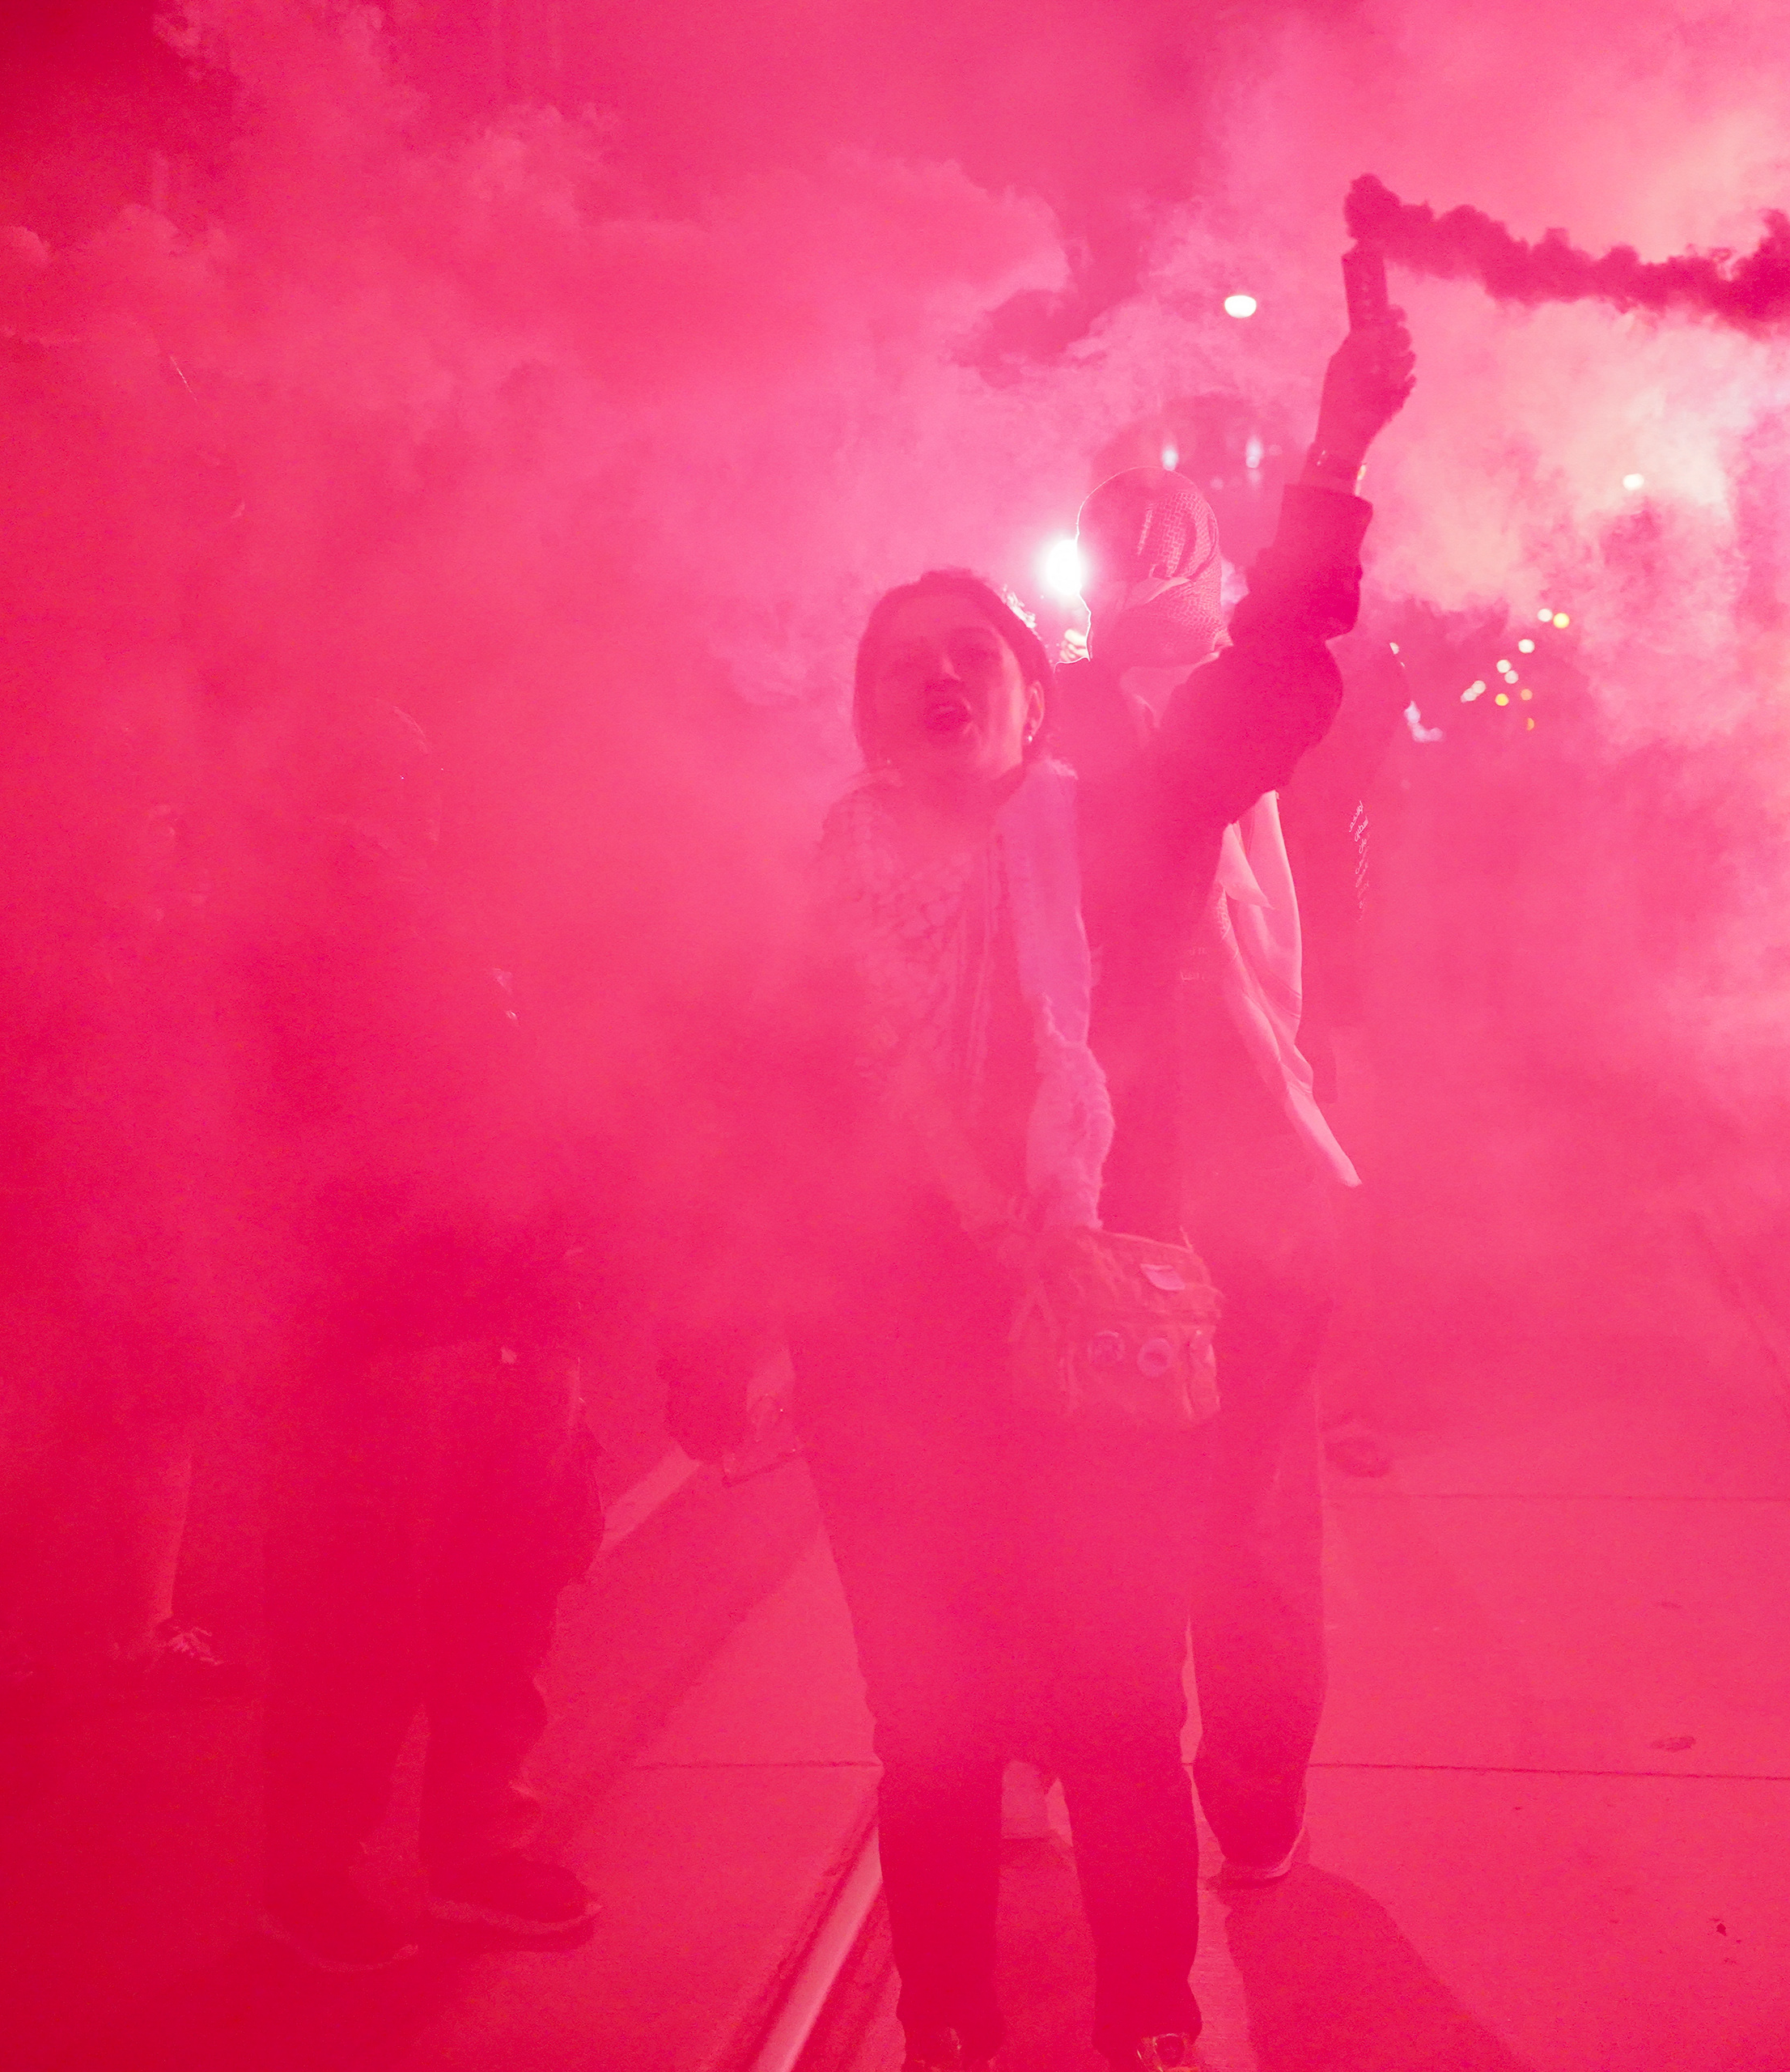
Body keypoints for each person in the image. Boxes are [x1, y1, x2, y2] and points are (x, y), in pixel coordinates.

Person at [666, 306, 1415, 2072]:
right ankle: (949, 2024)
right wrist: (707, 1331)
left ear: (1024, 697)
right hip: (891, 1394)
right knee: (928, 1739)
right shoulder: (812, 910)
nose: (941, 676)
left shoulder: (1114, 842)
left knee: (1116, 1725)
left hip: (1097, 1374)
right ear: (868, 716)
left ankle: (1146, 2020)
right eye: (904, 663)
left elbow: (1266, 684)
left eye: (973, 655)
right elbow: (746, 1140)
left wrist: (1333, 460)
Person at [234, 700, 607, 1969]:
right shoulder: (287, 935)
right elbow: (285, 1134)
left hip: (511, 1311)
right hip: (371, 1329)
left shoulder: (473, 918)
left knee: (504, 1596)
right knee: (354, 1612)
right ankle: (310, 1875)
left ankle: (476, 1844)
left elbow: (546, 1107)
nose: (407, 805)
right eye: (375, 778)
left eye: (413, 775)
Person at [1041, 467, 1366, 1887]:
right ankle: (1252, 1795)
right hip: (1244, 1137)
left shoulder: (1080, 705)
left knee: (1109, 1487)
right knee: (1251, 1502)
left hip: (1149, 1147)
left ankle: (1111, 1769)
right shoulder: (1186, 691)